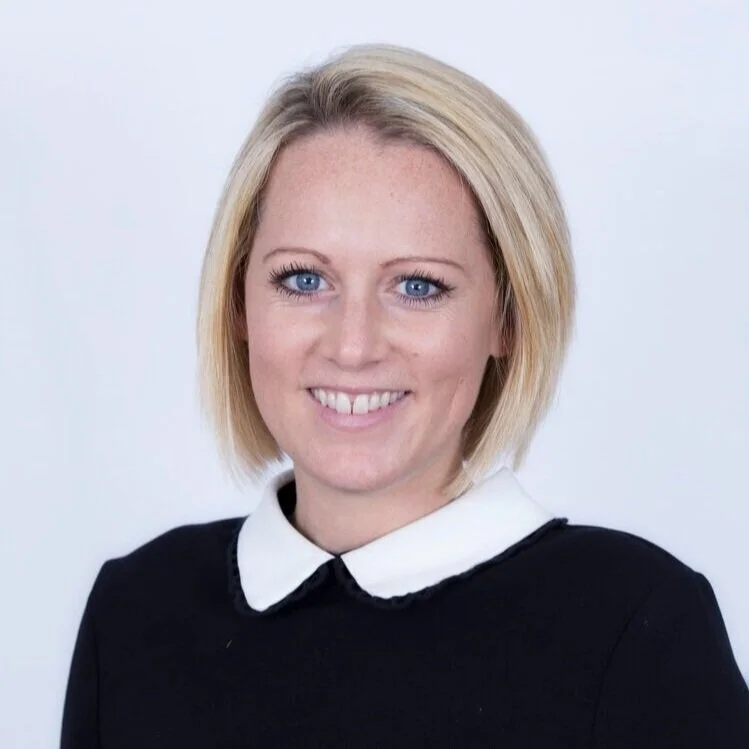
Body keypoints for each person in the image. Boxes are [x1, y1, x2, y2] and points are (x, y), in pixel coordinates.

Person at [60, 43, 749, 747]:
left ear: (508, 318)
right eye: (303, 279)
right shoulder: (136, 613)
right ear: (238, 302)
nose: (353, 345)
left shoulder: (635, 629)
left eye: (418, 286)